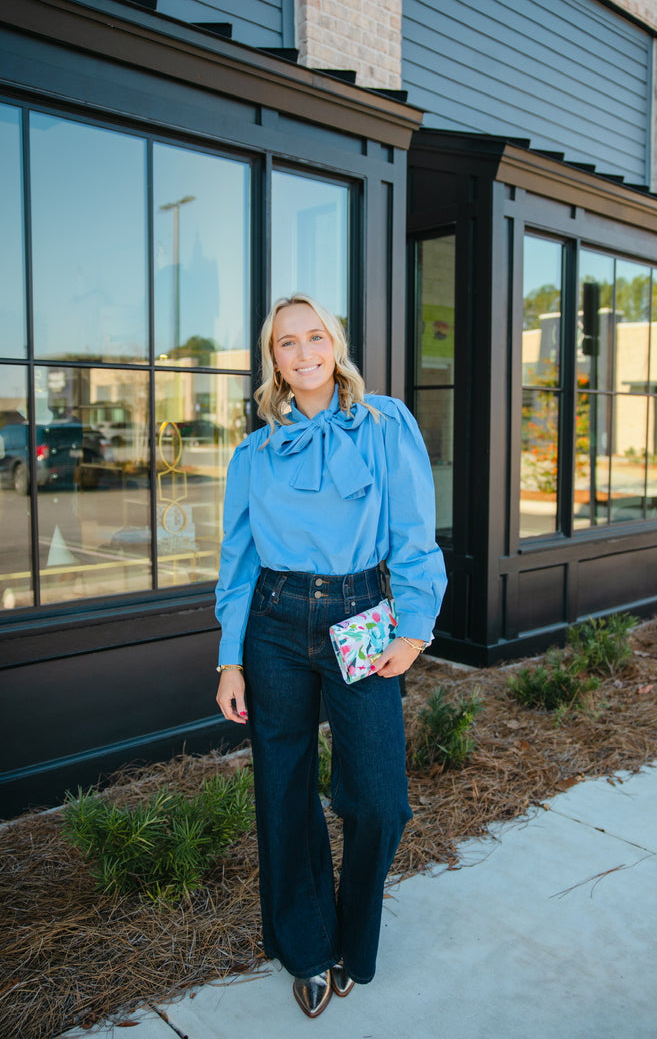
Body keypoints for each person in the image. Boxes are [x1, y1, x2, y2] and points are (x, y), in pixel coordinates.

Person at [215, 293, 447, 1019]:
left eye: (315, 337)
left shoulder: (384, 425)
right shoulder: (253, 452)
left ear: (335, 344)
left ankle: (355, 938)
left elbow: (414, 534)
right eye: (287, 343)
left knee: (379, 798)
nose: (304, 352)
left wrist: (414, 631)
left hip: (361, 616)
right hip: (275, 623)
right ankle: (307, 949)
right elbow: (238, 561)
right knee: (282, 794)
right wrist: (231, 657)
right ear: (274, 361)